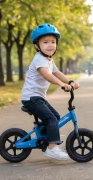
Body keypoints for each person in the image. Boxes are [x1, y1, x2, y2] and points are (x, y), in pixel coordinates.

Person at [21, 23, 80, 160]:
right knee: (51, 118)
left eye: (53, 42)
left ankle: (43, 138)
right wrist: (61, 85)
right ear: (37, 46)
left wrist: (69, 82)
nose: (50, 45)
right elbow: (47, 75)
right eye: (45, 42)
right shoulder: (39, 59)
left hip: (37, 97)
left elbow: (57, 72)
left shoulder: (49, 60)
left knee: (55, 116)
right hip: (31, 98)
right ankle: (51, 147)